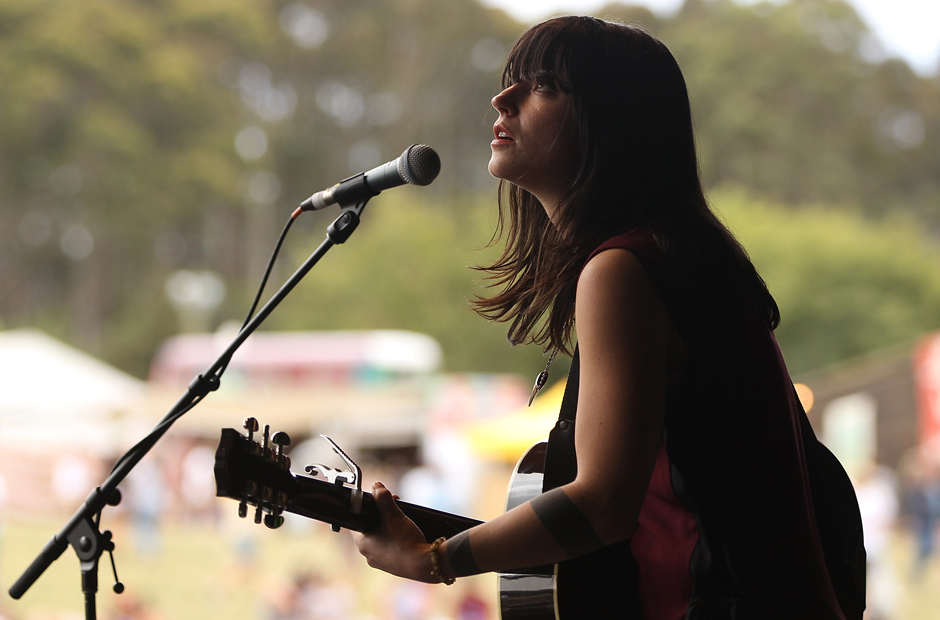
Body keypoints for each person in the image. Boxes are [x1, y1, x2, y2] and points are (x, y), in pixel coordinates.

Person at [354, 16, 858, 619]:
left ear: (611, 122)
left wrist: (434, 558)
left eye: (543, 85)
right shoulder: (677, 257)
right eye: (512, 80)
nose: (502, 99)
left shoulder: (625, 268)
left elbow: (602, 505)